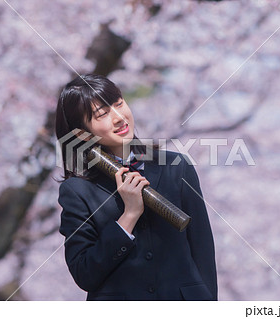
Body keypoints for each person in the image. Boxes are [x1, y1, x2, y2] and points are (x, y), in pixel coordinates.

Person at [55, 74, 217, 300]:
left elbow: (202, 251)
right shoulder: (77, 190)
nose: (119, 117)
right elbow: (85, 274)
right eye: (102, 114)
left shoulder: (176, 167)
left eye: (119, 103)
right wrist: (128, 216)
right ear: (82, 133)